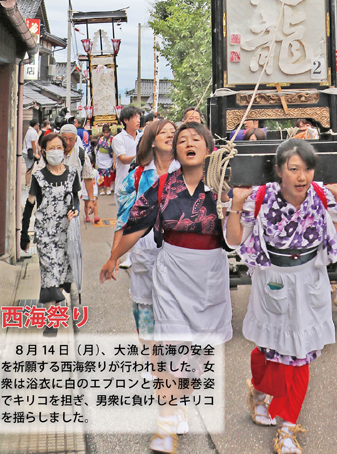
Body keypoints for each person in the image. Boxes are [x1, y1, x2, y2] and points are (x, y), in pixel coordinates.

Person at [100, 122, 232, 453]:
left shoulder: (223, 186)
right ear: (175, 152)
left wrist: (237, 204)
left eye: (195, 139)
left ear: (208, 148)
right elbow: (137, 223)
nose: (188, 143)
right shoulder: (162, 186)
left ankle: (180, 403)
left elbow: (237, 234)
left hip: (211, 272)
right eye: (182, 140)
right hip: (171, 271)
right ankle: (166, 422)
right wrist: (114, 257)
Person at [226, 138, 337, 454]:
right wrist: (237, 204)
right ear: (279, 170)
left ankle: (287, 429)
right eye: (293, 169)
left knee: (300, 357)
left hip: (309, 278)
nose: (301, 176)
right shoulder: (261, 197)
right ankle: (258, 389)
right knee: (269, 351)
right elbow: (233, 238)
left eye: (307, 168)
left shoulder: (321, 195)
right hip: (273, 278)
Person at [106, 119, 178, 354]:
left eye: (173, 132)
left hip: (179, 252)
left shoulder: (189, 172)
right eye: (163, 132)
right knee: (145, 311)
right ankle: (150, 359)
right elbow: (123, 218)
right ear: (152, 141)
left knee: (176, 309)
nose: (170, 135)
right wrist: (115, 256)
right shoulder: (138, 176)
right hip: (145, 251)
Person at [20, 132, 80, 318]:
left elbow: (75, 199)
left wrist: (75, 210)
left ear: (65, 150)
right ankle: (51, 319)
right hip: (45, 234)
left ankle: (67, 306)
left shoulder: (72, 174)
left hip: (66, 233)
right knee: (49, 273)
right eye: (51, 148)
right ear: (44, 152)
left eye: (59, 148)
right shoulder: (38, 177)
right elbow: (29, 205)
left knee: (64, 272)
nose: (56, 151)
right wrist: (24, 234)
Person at [111, 105, 141, 204]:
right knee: (124, 218)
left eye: (139, 117)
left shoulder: (143, 137)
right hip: (123, 187)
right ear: (126, 120)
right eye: (135, 117)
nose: (138, 120)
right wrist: (141, 157)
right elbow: (123, 159)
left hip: (140, 185)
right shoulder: (118, 139)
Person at [96, 124, 114, 195]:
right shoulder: (100, 138)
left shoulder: (112, 139)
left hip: (108, 156)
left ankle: (108, 187)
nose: (105, 134)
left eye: (107, 132)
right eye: (104, 132)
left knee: (107, 173)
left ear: (109, 132)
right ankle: (102, 188)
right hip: (100, 156)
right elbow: (97, 147)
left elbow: (113, 150)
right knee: (100, 173)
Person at [23, 119, 40, 186]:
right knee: (29, 168)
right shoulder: (33, 132)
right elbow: (33, 144)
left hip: (26, 151)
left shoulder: (29, 131)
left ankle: (27, 182)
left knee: (29, 168)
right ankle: (27, 183)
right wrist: (35, 153)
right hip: (29, 152)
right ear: (35, 125)